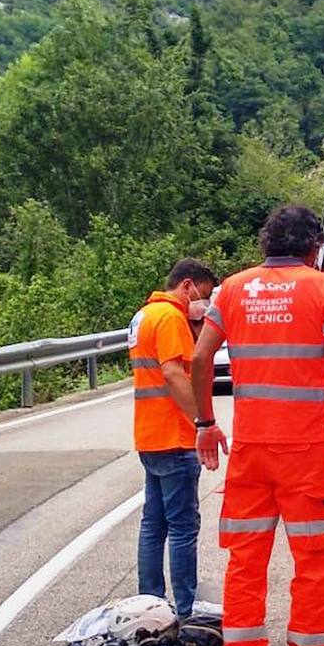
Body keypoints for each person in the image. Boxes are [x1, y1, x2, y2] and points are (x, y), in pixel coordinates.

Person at [191, 205, 324, 646]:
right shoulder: (322, 287)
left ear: (267, 245)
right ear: (313, 246)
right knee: (312, 561)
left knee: (245, 561)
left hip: (250, 450)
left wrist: (205, 423)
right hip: (305, 451)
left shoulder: (232, 289)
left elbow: (201, 357)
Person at [129, 259, 218, 619]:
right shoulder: (170, 318)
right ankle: (185, 609)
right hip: (174, 435)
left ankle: (149, 602)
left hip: (149, 435)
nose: (204, 303)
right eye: (204, 295)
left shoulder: (143, 316)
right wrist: (202, 420)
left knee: (154, 523)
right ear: (187, 285)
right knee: (183, 526)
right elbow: (173, 372)